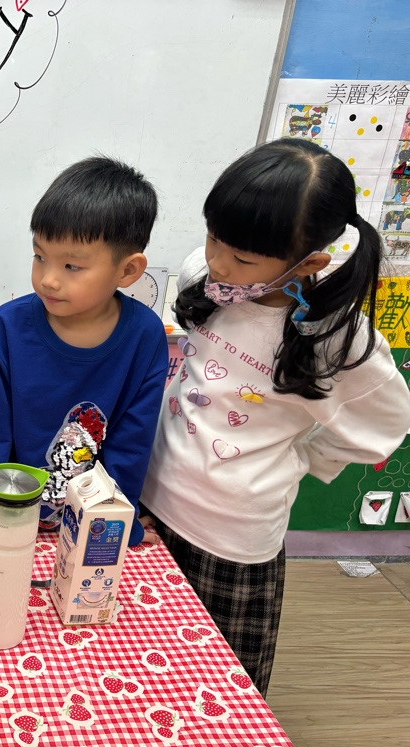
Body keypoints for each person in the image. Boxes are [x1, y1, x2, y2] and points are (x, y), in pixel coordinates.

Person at [141, 138, 410, 694]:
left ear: (310, 261)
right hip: (152, 499)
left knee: (218, 687)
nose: (218, 261)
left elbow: (387, 426)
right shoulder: (204, 275)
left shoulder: (334, 340)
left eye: (242, 258)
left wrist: (303, 460)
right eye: (214, 237)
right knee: (142, 663)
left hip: (232, 538)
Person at [0, 158, 167, 544]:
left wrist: (117, 526)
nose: (48, 279)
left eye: (71, 266)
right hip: (8, 518)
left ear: (127, 271)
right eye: (40, 257)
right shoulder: (6, 329)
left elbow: (131, 445)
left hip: (89, 527)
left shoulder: (145, 337)